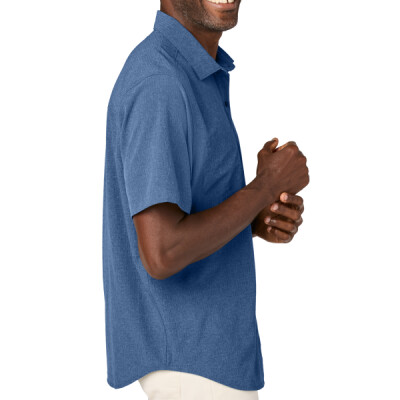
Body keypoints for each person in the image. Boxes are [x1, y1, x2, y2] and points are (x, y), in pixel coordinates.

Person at [102, 0, 310, 398]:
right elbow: (162, 253)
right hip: (191, 364)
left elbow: (182, 223)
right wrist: (265, 187)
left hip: (204, 362)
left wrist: (253, 219)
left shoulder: (191, 71)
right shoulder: (159, 82)